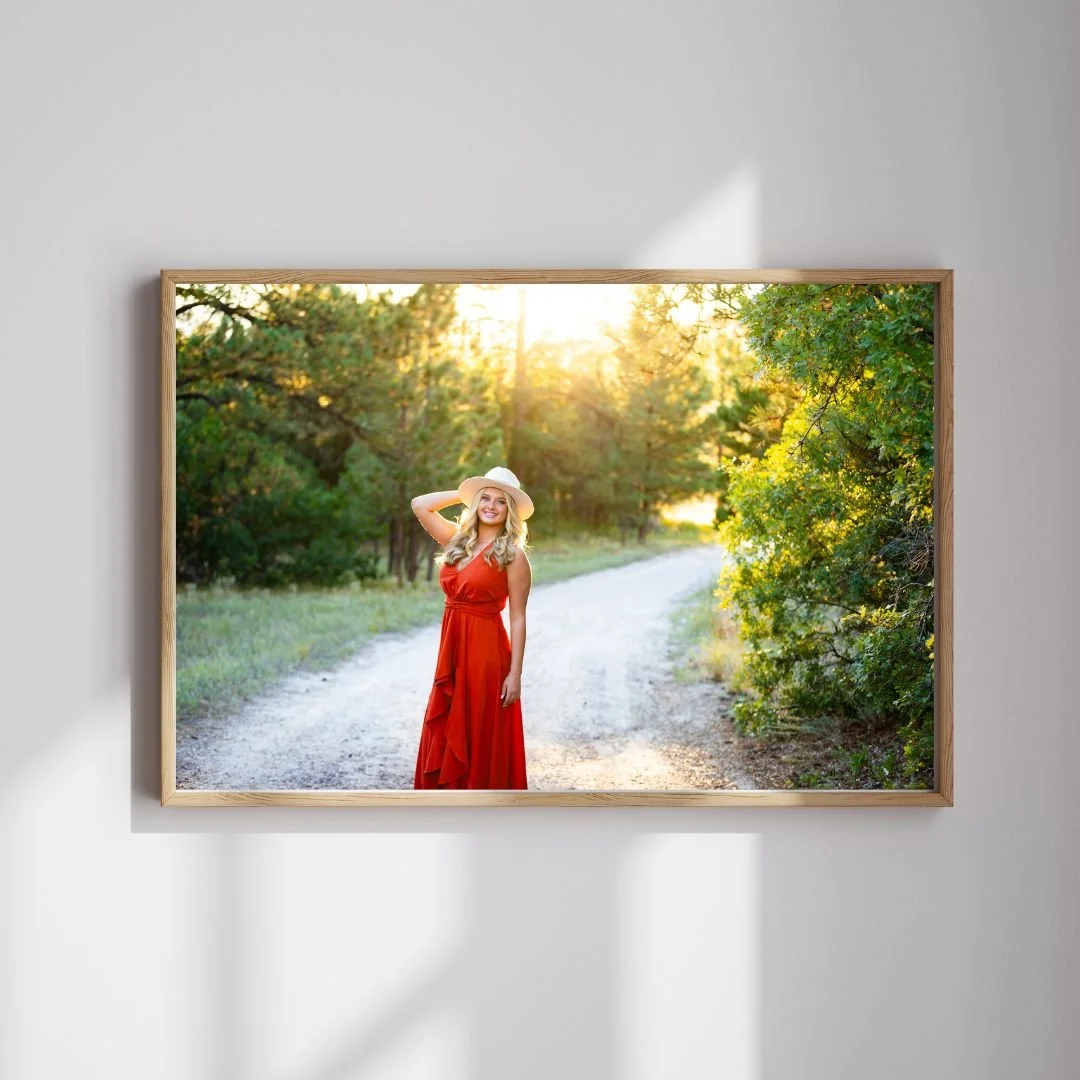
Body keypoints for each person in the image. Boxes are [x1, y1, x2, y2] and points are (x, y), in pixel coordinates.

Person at [410, 466, 533, 789]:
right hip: (451, 647)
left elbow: (518, 618)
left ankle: (478, 803)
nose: (491, 506)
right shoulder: (458, 540)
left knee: (477, 727)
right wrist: (466, 493)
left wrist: (515, 674)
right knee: (449, 718)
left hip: (486, 654)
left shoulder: (513, 556)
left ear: (510, 511)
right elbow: (420, 505)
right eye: (485, 498)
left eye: (501, 501)